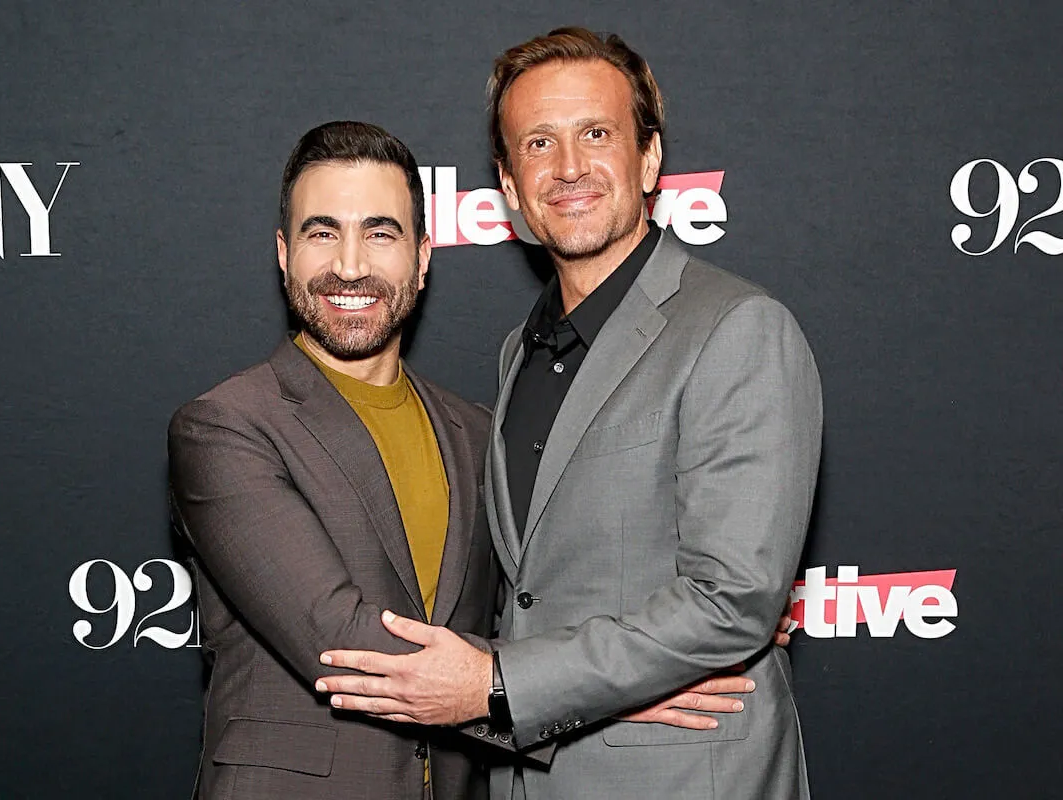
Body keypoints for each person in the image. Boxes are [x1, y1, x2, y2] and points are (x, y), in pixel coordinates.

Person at [168, 120, 764, 800]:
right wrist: (603, 698)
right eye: (322, 232)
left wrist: (712, 611)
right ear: (283, 253)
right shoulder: (225, 426)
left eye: (381, 232)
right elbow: (345, 645)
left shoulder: (478, 430)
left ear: (423, 257)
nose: (351, 264)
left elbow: (535, 608)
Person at [317, 28, 823, 800]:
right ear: (510, 185)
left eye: (597, 134)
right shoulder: (520, 350)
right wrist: (589, 689)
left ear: (649, 159)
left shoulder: (737, 327)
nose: (570, 168)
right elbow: (532, 591)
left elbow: (733, 600)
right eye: (539, 143)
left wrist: (501, 684)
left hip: (682, 778)